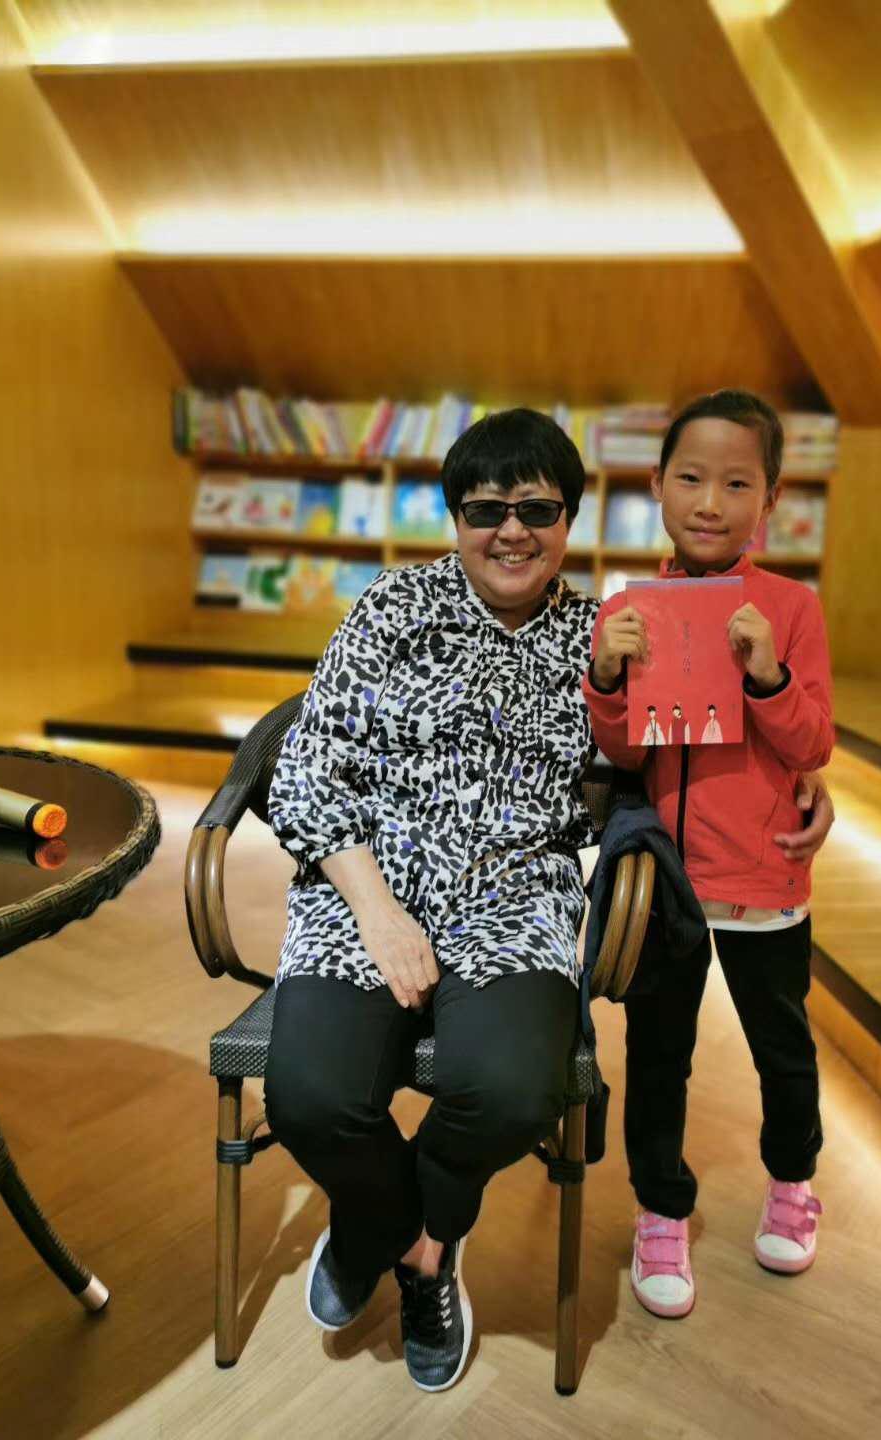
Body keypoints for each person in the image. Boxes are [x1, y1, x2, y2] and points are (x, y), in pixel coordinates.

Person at [263, 407, 835, 1390]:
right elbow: (309, 767)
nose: (512, 530)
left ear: (571, 517)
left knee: (516, 1092)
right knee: (310, 1098)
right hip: (368, 889)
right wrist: (378, 912)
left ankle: (421, 1245)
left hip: (515, 898)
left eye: (536, 508)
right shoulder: (392, 608)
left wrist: (809, 781)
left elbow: (670, 746)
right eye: (486, 508)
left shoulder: (606, 632)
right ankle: (385, 1230)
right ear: (454, 516)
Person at [584, 389, 834, 1321]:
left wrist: (769, 674)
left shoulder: (792, 609)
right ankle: (660, 1210)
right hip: (665, 882)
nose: (710, 502)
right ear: (656, 485)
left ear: (771, 499)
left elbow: (812, 743)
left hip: (766, 877)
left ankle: (793, 1182)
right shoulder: (629, 608)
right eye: (690, 478)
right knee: (659, 1054)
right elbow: (624, 753)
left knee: (783, 1047)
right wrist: (606, 674)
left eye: (737, 484)